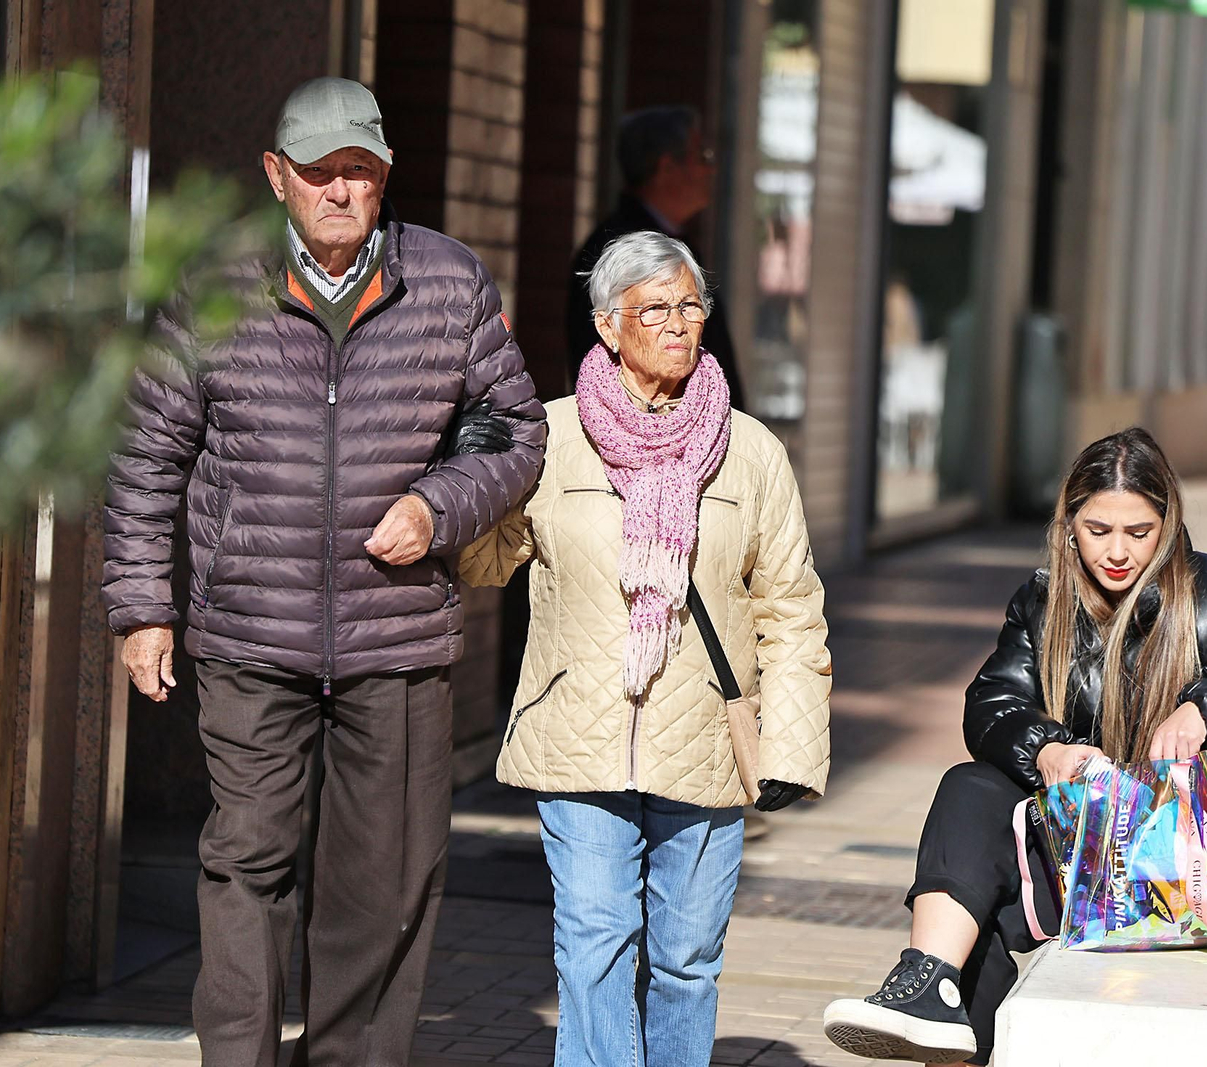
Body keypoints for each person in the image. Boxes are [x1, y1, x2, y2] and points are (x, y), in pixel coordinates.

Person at [100, 77, 547, 1067]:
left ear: (385, 176)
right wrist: (142, 607)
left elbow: (513, 434)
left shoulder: (449, 279)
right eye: (320, 172)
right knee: (247, 860)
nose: (341, 191)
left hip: (397, 638)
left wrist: (437, 505)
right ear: (276, 176)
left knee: (384, 884)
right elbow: (146, 457)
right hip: (250, 635)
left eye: (361, 171)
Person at [821, 427, 1207, 1066]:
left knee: (983, 900)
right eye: (1098, 531)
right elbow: (992, 706)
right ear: (1069, 523)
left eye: (1139, 532)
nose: (1119, 552)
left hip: (1195, 858)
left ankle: (952, 1025)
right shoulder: (1044, 603)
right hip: (1080, 842)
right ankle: (925, 985)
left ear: (1168, 522)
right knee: (969, 797)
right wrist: (1047, 751)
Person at [462, 231, 832, 1066]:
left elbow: (793, 609)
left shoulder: (751, 450)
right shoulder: (548, 439)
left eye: (689, 304)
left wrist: (791, 747)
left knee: (688, 962)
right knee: (594, 945)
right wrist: (472, 475)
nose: (676, 323)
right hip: (580, 733)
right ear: (606, 324)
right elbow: (485, 565)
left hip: (703, 743)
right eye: (653, 308)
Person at [566, 106, 744, 408]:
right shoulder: (613, 249)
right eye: (702, 157)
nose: (710, 169)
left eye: (690, 306)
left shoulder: (679, 242)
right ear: (667, 167)